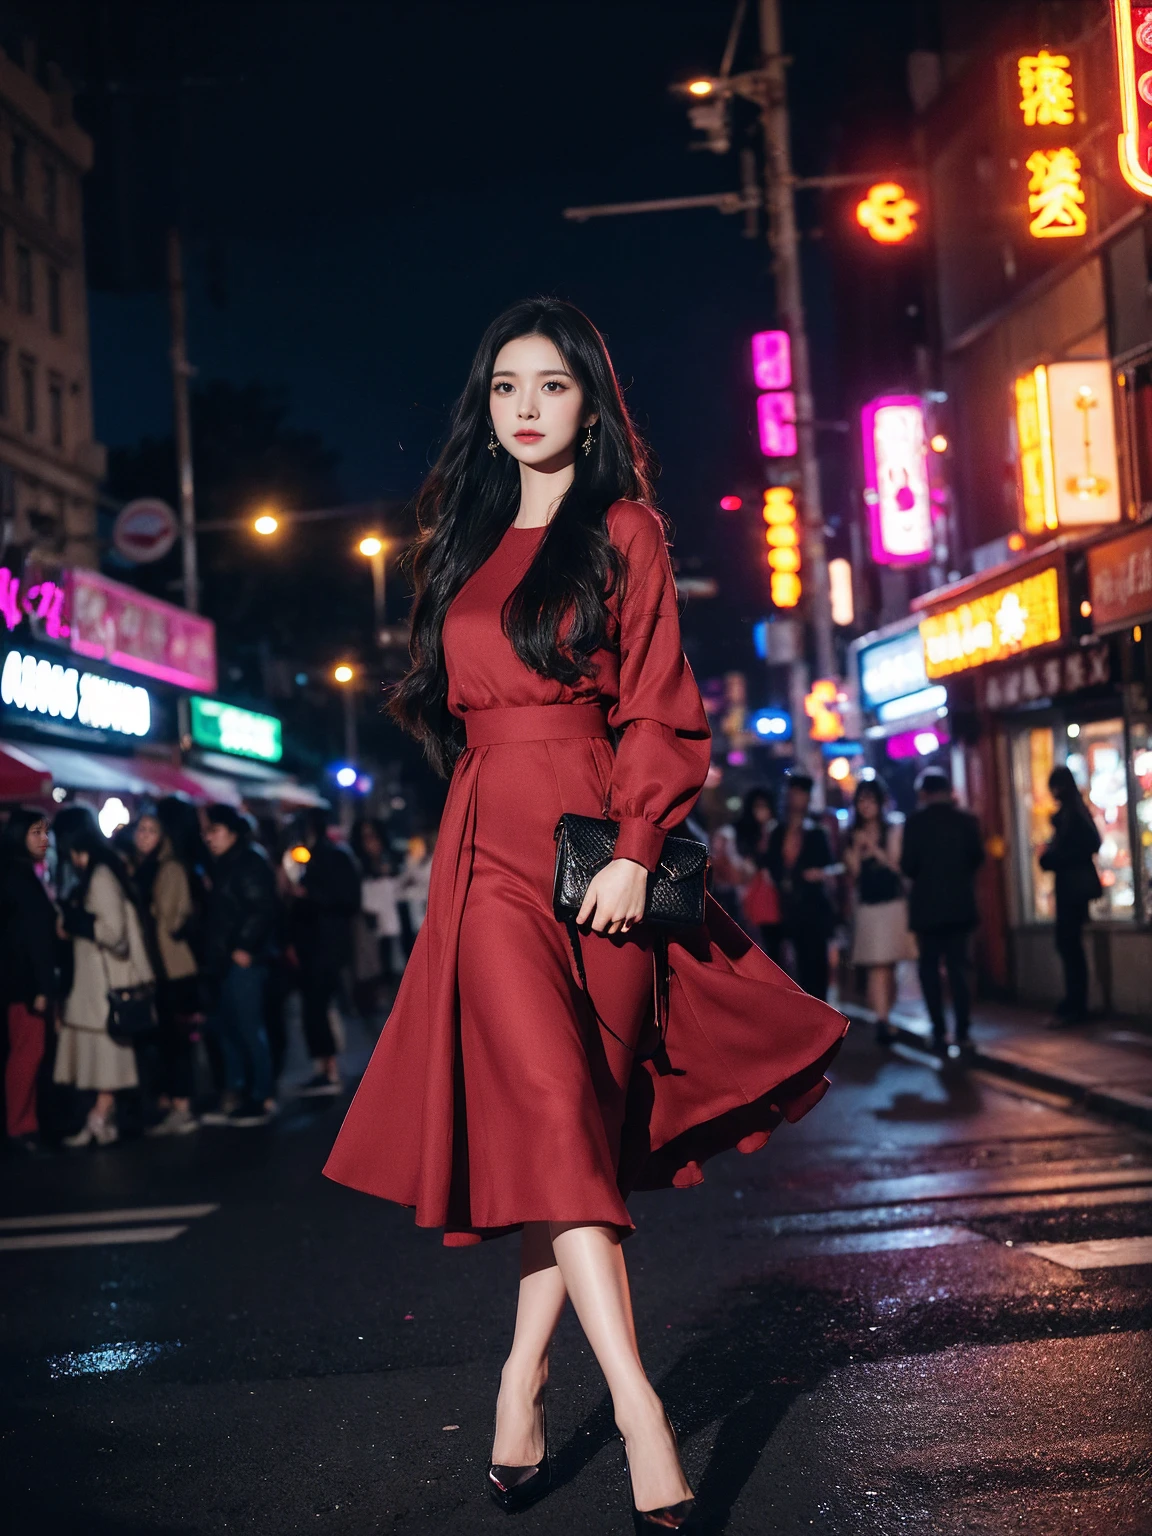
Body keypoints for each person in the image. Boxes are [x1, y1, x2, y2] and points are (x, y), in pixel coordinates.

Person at [323, 298, 845, 1527]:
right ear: (486, 406)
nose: (524, 405)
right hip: (488, 855)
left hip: (598, 855)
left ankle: (521, 1377)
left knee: (573, 1144)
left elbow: (662, 701)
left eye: (550, 385)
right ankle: (639, 1410)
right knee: (552, 1111)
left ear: (588, 404)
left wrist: (637, 847)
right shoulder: (461, 533)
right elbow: (460, 706)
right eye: (506, 384)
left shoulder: (627, 530)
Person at [53, 810, 154, 1148]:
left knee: (105, 1056)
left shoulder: (99, 875)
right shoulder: (101, 869)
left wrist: (76, 921)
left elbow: (115, 934)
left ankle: (100, 1117)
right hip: (94, 984)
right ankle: (101, 1118)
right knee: (101, 1057)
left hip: (102, 985)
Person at [200, 804, 279, 1127]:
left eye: (215, 832)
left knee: (248, 1028)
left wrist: (244, 947)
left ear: (232, 832)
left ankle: (262, 1096)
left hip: (243, 959)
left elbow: (261, 908)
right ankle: (239, 1093)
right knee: (229, 1027)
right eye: (207, 832)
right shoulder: (226, 862)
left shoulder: (248, 860)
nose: (209, 839)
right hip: (224, 959)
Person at [900, 766, 985, 1056]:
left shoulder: (915, 823)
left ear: (924, 794)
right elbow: (977, 858)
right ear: (948, 791)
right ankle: (962, 1030)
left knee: (930, 970)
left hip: (927, 909)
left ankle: (938, 1031)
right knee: (959, 967)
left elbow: (908, 865)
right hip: (960, 906)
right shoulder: (966, 821)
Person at [133, 803, 202, 1135]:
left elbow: (173, 916)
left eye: (151, 830)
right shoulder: (141, 867)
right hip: (152, 966)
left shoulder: (170, 868)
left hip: (172, 966)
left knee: (176, 1040)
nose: (143, 836)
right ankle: (168, 1100)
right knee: (162, 1039)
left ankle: (182, 1105)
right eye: (141, 829)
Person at [289, 809, 361, 1095]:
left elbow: (348, 900)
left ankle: (330, 1070)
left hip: (326, 944)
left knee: (321, 1005)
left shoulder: (335, 857)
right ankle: (322, 1067)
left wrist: (310, 897)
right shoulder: (308, 857)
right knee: (313, 1007)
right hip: (311, 943)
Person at [0, 807, 58, 1154]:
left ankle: (26, 1122)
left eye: (45, 832)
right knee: (28, 1052)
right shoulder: (18, 877)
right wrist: (41, 986)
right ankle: (21, 1125)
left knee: (26, 1051)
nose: (44, 839)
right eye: (35, 832)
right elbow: (32, 937)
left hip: (19, 979)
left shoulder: (16, 873)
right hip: (25, 982)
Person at [844, 774, 910, 1047]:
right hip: (869, 906)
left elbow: (896, 865)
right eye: (861, 800)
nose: (865, 805)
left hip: (893, 903)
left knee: (890, 965)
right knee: (877, 965)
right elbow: (854, 873)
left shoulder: (893, 827)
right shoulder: (851, 834)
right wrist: (859, 851)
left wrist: (874, 848)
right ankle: (882, 1021)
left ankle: (886, 1015)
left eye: (870, 799)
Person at [764, 771, 838, 1001]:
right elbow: (770, 864)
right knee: (786, 967)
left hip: (813, 908)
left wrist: (821, 874)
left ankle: (820, 1013)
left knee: (815, 966)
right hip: (784, 908)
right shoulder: (777, 831)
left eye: (801, 793)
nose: (796, 798)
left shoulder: (817, 831)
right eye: (793, 793)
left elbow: (831, 865)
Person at [1039, 765, 1102, 1026]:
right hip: (1073, 888)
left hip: (1072, 889)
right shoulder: (1072, 812)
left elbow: (1088, 844)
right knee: (1069, 945)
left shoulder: (1072, 814)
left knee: (1069, 945)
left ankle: (1076, 1005)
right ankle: (1074, 1003)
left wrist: (1051, 857)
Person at [351, 816, 403, 1004]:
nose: (370, 841)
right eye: (365, 836)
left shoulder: (390, 858)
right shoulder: (358, 863)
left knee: (391, 956)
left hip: (392, 918)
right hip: (369, 920)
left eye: (373, 835)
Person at [732, 787, 781, 950]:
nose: (761, 812)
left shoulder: (777, 831)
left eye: (764, 807)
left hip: (776, 893)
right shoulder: (747, 835)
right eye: (757, 807)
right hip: (755, 891)